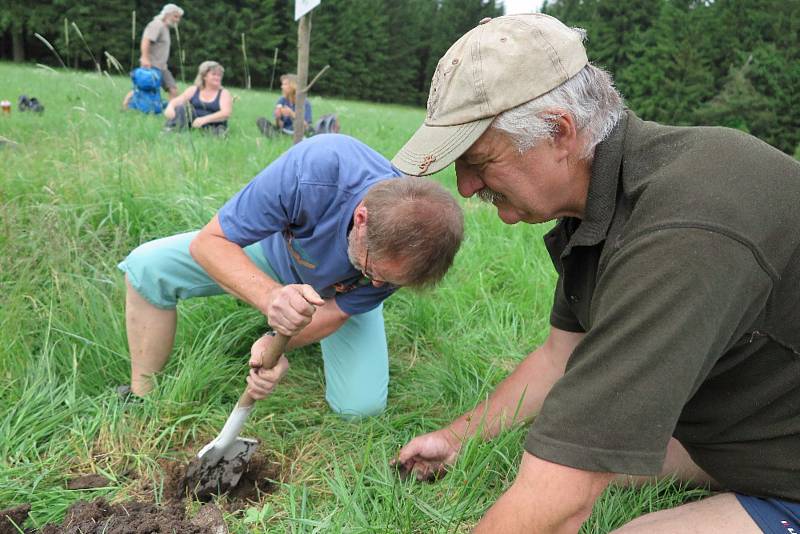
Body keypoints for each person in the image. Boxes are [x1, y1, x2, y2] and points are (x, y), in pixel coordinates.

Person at [391, 13, 800, 534]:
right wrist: (455, 438)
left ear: (559, 132)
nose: (466, 187)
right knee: (564, 450)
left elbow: (563, 501)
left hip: (785, 463)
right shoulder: (596, 208)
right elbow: (561, 358)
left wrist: (557, 486)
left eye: (478, 160)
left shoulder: (682, 230)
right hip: (751, 429)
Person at [118, 134, 463, 418]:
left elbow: (337, 310)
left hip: (331, 295)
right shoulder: (316, 170)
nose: (376, 285)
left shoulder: (406, 256)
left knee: (361, 408)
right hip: (273, 254)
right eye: (373, 271)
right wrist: (272, 298)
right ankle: (142, 397)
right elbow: (209, 243)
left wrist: (274, 343)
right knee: (146, 267)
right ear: (361, 221)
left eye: (388, 283)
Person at [163, 61, 232, 135]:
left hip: (213, 125)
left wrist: (204, 120)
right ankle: (171, 130)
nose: (217, 77)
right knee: (181, 108)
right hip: (193, 123)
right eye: (214, 74)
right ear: (204, 76)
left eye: (219, 75)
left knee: (218, 133)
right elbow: (179, 100)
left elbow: (226, 113)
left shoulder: (224, 93)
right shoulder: (194, 89)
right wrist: (170, 106)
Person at [138, 3, 183, 100]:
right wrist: (145, 58)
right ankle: (125, 108)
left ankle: (172, 113)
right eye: (175, 17)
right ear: (167, 14)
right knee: (142, 89)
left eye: (179, 18)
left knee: (173, 89)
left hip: (161, 67)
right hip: (151, 65)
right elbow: (146, 40)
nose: (177, 20)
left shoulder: (165, 28)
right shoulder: (157, 25)